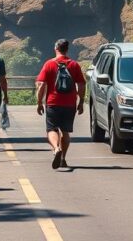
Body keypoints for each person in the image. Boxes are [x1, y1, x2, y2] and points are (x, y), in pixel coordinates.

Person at [35, 38, 85, 170]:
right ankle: (63, 159)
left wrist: (39, 102)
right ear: (67, 49)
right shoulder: (74, 65)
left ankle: (56, 149)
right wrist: (81, 102)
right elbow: (81, 84)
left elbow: (41, 85)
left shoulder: (49, 64)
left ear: (56, 48)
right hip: (70, 104)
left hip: (53, 103)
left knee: (51, 129)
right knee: (66, 132)